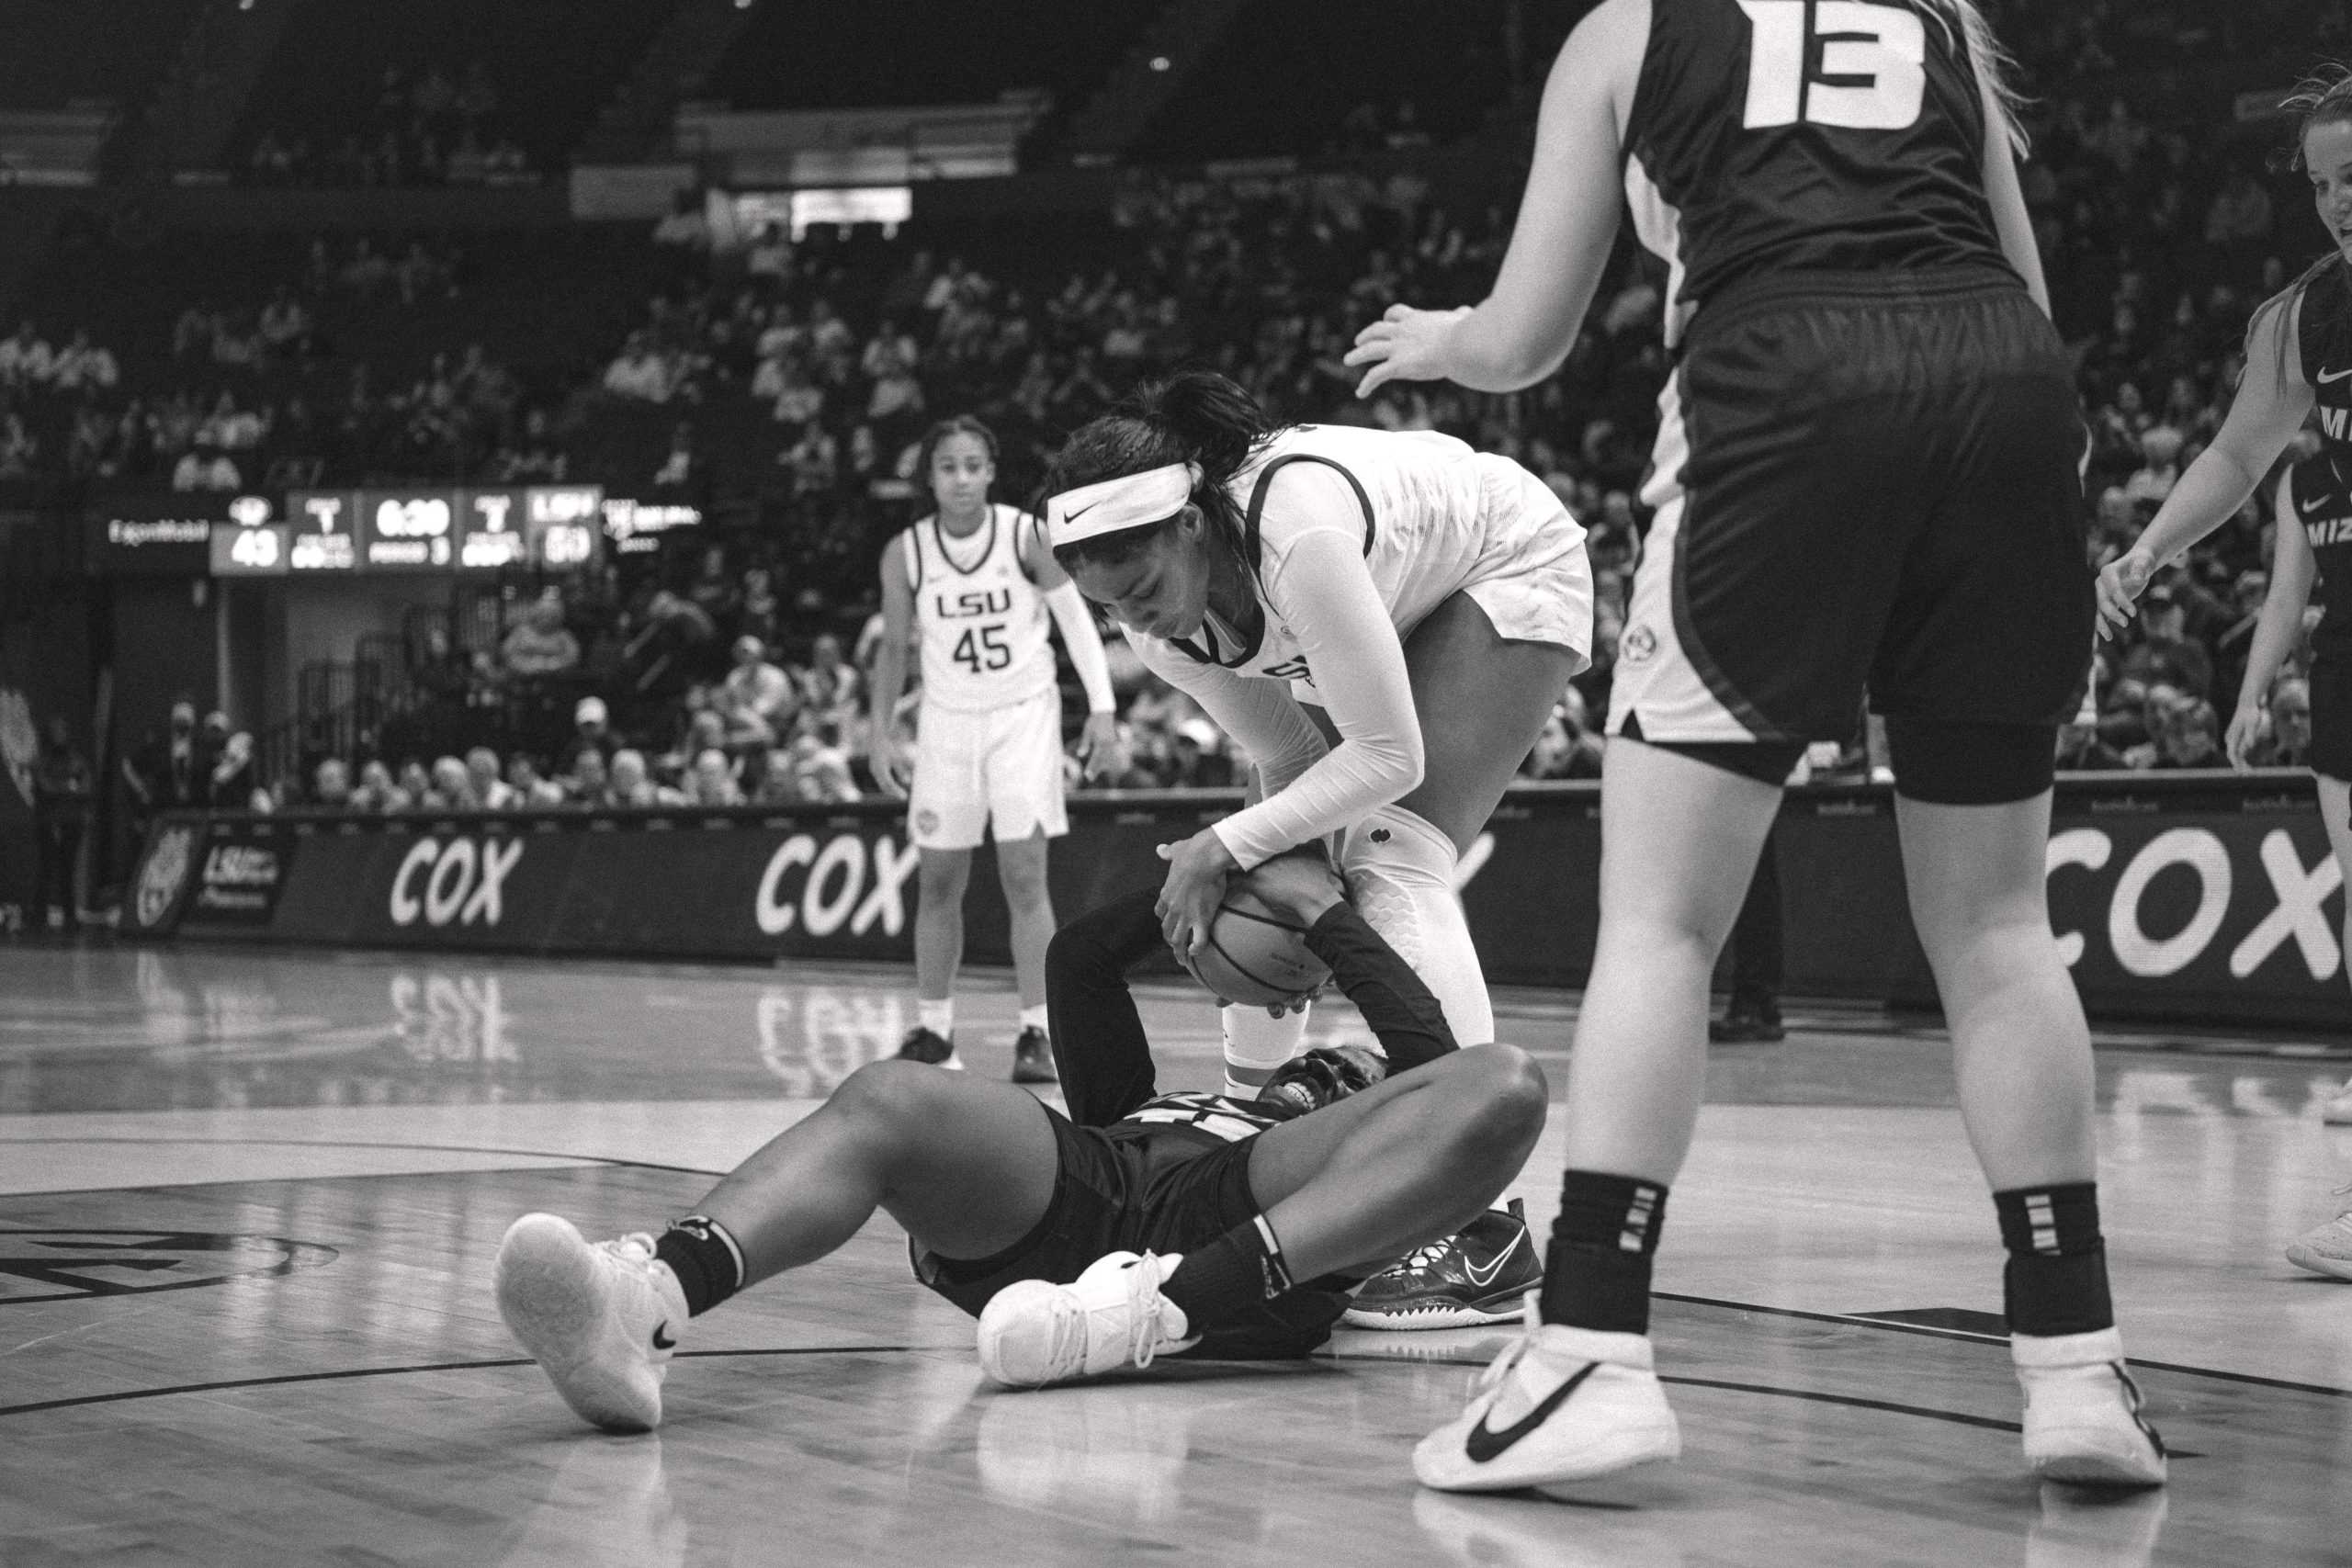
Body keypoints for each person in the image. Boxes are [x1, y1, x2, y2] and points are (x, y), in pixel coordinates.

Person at [1351, 0, 2165, 1491]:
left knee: (1662, 919)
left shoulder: (1628, 33)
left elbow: (1526, 341)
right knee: (1994, 924)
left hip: (1785, 390)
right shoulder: (1936, 24)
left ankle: (1590, 1345)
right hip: (2010, 395)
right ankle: (2076, 1362)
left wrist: (1437, 338)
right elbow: (2027, 289)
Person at [491, 849, 1548, 1430]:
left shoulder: (1329, 1146)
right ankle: (647, 1307)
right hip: (1090, 1200)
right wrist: (1215, 883)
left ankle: (1166, 1310)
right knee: (895, 1093)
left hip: (1244, 1237)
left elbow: (1438, 1078)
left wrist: (1324, 921)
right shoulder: (1150, 1105)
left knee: (1501, 1082)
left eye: (1346, 1078)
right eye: (1322, 1064)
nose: (1327, 1073)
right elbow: (1081, 962)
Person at [1041, 370, 1586, 1327]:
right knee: (1281, 861)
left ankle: (1484, 1236)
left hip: (1503, 561)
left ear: (1192, 528)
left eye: (1142, 592)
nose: (1137, 626)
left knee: (1391, 852)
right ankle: (1242, 1123)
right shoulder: (1170, 631)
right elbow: (1291, 758)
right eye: (1108, 612)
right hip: (1399, 598)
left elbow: (1387, 754)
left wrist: (1218, 846)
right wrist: (1261, 865)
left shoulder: (1296, 533)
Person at [2091, 70, 2352, 1282]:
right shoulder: (2311, 317)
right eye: (2321, 183)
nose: (2339, 201)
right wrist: (2147, 549)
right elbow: (2245, 450)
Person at [868, 415, 1125, 1085]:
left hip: (1022, 719)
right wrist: (877, 733)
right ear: (930, 477)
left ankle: (1038, 1033)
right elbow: (895, 649)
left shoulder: (1023, 533)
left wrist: (1102, 709)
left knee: (1023, 877)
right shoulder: (907, 551)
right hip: (946, 724)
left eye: (973, 465)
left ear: (990, 471)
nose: (961, 478)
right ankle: (934, 1029)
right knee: (938, 881)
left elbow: (1077, 620)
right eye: (948, 466)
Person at [30, 716, 93, 931]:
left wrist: (64, 789)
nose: (60, 735)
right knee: (46, 870)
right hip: (48, 822)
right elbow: (45, 788)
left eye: (62, 730)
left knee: (68, 870)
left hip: (72, 822)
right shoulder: (40, 761)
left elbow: (85, 788)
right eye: (55, 731)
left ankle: (70, 916)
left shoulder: (76, 760)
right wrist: (68, 786)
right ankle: (40, 917)